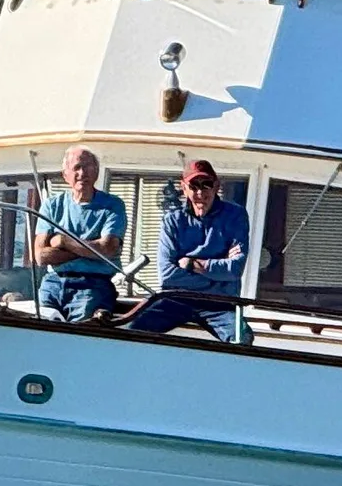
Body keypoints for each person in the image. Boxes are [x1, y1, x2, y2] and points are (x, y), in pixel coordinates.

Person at [127, 160, 248, 343]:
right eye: (194, 186)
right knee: (133, 331)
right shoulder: (172, 220)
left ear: (216, 186)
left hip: (220, 304)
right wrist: (217, 275)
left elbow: (235, 269)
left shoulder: (236, 215)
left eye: (206, 184)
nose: (200, 193)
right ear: (183, 188)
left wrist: (191, 264)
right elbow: (167, 275)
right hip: (177, 300)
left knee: (242, 338)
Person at [32, 146, 127, 322]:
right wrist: (90, 249)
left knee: (81, 334)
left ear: (97, 171)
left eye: (88, 167)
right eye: (76, 168)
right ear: (65, 174)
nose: (82, 173)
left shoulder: (113, 205)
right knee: (37, 330)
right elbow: (41, 256)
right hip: (52, 283)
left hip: (93, 285)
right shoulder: (51, 206)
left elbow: (107, 249)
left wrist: (63, 241)